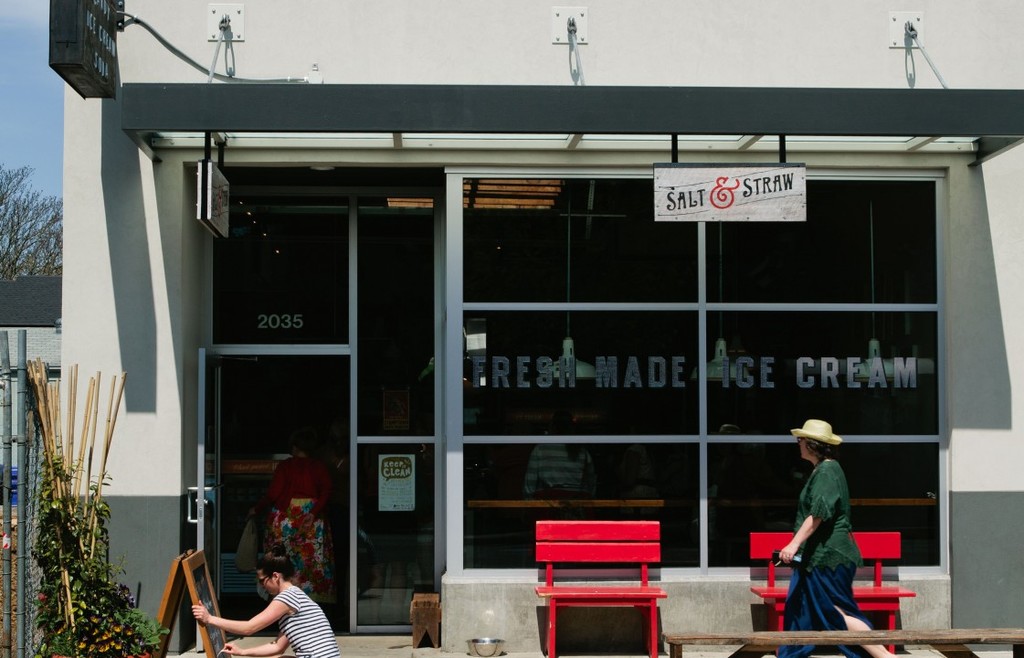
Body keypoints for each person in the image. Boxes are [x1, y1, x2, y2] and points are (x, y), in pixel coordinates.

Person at [777, 419, 896, 658]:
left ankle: (884, 656)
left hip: (829, 557)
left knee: (833, 612)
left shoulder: (827, 471)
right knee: (813, 609)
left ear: (812, 444)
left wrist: (793, 543)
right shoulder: (823, 470)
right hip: (819, 557)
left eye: (801, 439)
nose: (798, 443)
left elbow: (819, 514)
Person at [192, 544, 340, 658]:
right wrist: (242, 652)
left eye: (262, 580)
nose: (261, 585)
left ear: (275, 576)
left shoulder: (286, 598)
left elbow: (249, 628)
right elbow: (278, 647)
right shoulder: (297, 596)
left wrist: (209, 619)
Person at [250, 426, 336, 604]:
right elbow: (327, 491)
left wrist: (256, 509)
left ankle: (282, 595)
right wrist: (313, 512)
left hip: (286, 518)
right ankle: (311, 598)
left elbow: (273, 494)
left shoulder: (286, 466)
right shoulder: (318, 467)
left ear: (295, 447)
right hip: (312, 521)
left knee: (283, 559)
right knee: (311, 561)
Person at [522, 410, 596, 500]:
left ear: (552, 426)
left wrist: (530, 502)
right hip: (576, 502)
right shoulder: (582, 451)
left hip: (548, 501)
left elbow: (530, 484)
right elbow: (591, 483)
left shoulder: (540, 449)